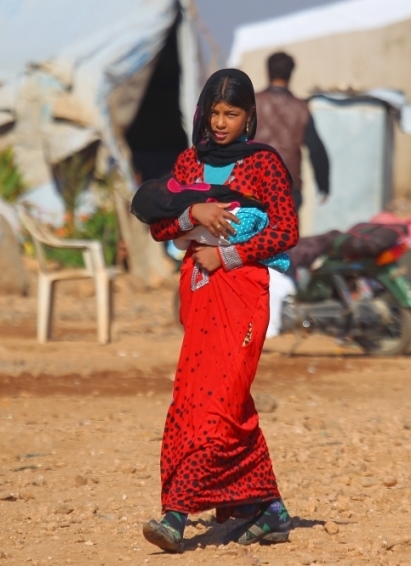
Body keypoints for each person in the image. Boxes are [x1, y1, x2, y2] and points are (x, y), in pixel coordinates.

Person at [140, 68, 299, 553]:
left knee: (218, 403)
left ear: (250, 116)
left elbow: (286, 231)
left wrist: (227, 254)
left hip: (243, 291)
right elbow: (160, 227)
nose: (222, 123)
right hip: (199, 292)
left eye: (233, 114)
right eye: (216, 113)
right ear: (203, 113)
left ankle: (176, 516)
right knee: (195, 399)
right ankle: (268, 508)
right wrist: (194, 214)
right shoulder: (190, 161)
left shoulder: (262, 164)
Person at [255, 52, 330, 211]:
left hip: (254, 185)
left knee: (253, 234)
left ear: (267, 73)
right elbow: (316, 149)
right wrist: (323, 184)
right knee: (284, 235)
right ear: (290, 75)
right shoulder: (301, 108)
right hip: (289, 189)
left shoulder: (252, 103)